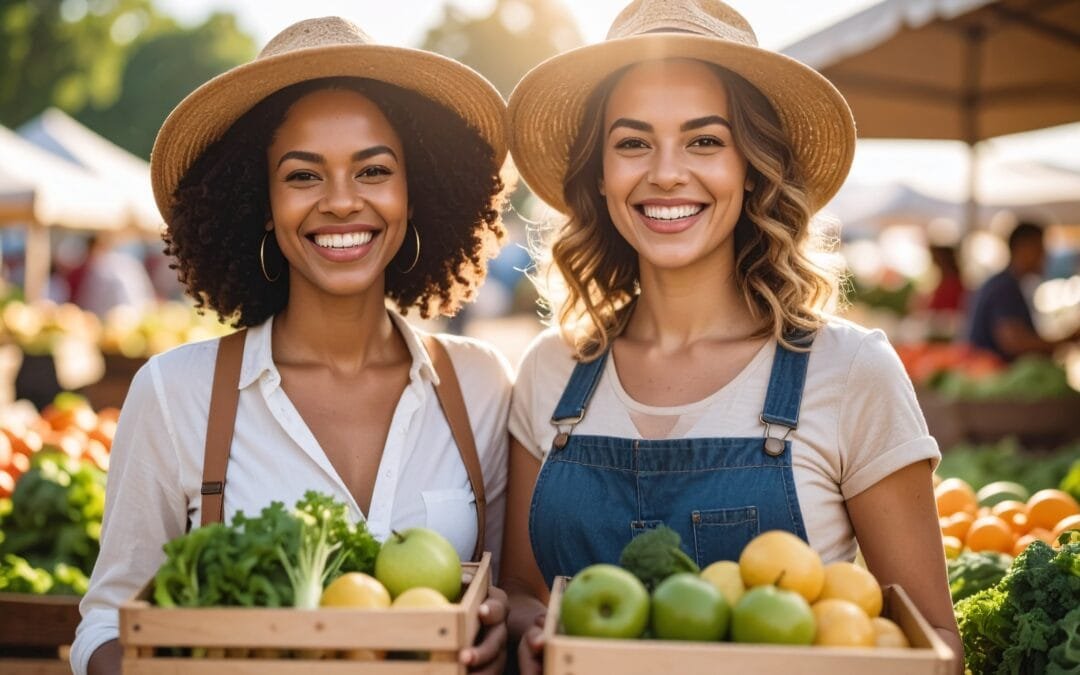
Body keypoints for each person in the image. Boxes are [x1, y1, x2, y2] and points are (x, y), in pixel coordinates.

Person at [499, 1, 963, 672]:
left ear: (752, 166)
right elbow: (521, 588)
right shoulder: (550, 370)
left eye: (704, 140)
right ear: (600, 176)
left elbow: (937, 647)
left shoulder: (850, 370)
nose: (665, 172)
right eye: (632, 142)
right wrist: (526, 625)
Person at [72, 17, 512, 675]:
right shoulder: (175, 394)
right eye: (304, 176)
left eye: (373, 170)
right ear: (262, 201)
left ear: (413, 193)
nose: (341, 201)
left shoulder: (481, 386)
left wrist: (496, 630)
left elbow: (496, 596)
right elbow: (105, 625)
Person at [967, 221, 1079, 361]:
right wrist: (1065, 341)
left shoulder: (1008, 284)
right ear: (1023, 248)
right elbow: (1014, 343)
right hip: (992, 374)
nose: (1044, 256)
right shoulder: (1004, 287)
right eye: (1040, 248)